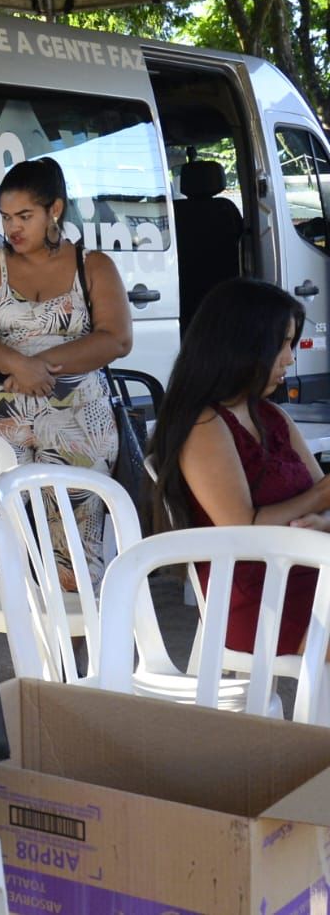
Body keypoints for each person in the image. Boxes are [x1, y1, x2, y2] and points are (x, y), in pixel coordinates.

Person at [0, 157, 132, 590]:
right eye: (6, 217)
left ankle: (75, 646)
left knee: (73, 542)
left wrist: (39, 369)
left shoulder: (94, 266)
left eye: (25, 216)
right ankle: (4, 639)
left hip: (76, 418)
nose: (13, 228)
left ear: (55, 209)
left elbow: (116, 339)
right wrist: (17, 365)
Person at [148, 278, 327, 655]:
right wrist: (318, 497)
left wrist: (318, 518)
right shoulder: (204, 425)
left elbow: (322, 505)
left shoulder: (272, 416)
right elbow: (240, 529)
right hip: (259, 596)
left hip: (306, 569)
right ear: (242, 345)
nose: (290, 358)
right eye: (280, 344)